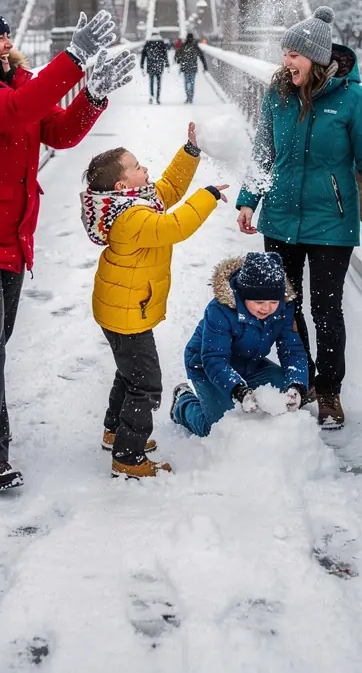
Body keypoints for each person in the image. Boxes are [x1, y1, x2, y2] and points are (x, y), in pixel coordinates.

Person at [0, 0, 136, 492]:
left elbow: (56, 132)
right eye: (0, 36)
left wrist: (92, 95)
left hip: (8, 231)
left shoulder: (16, 79)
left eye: (7, 33)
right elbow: (19, 110)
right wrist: (75, 60)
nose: (9, 41)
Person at [235, 5, 362, 429]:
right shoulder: (278, 93)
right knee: (287, 308)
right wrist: (248, 199)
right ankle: (302, 377)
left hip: (331, 224)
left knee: (326, 311)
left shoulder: (354, 100)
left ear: (316, 58)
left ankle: (329, 391)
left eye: (294, 53)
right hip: (281, 220)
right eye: (285, 52)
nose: (285, 60)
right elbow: (263, 152)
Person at [81, 123, 228, 478]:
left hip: (122, 308)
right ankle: (128, 457)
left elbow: (169, 188)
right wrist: (207, 195)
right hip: (127, 313)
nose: (145, 169)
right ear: (121, 185)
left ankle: (115, 430)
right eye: (137, 167)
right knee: (146, 385)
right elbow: (175, 226)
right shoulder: (132, 217)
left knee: (129, 374)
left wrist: (190, 152)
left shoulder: (132, 202)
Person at [170, 252, 309, 437]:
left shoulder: (284, 308)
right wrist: (238, 390)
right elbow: (214, 358)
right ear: (244, 296)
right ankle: (183, 402)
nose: (266, 308)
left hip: (251, 363)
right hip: (207, 366)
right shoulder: (220, 310)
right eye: (259, 301)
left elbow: (292, 351)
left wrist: (297, 386)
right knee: (216, 428)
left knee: (285, 392)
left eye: (273, 301)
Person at [174, 31, 208, 104]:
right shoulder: (195, 46)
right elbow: (201, 56)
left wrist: (178, 60)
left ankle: (187, 97)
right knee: (192, 83)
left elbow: (178, 55)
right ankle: (191, 98)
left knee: (186, 82)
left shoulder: (183, 45)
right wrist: (205, 66)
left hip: (185, 66)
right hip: (193, 67)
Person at [140, 31, 170, 104]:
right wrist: (167, 64)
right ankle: (158, 98)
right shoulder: (161, 43)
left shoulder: (148, 43)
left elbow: (143, 55)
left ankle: (151, 96)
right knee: (159, 83)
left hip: (150, 65)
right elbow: (164, 55)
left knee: (151, 82)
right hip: (159, 65)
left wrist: (142, 65)